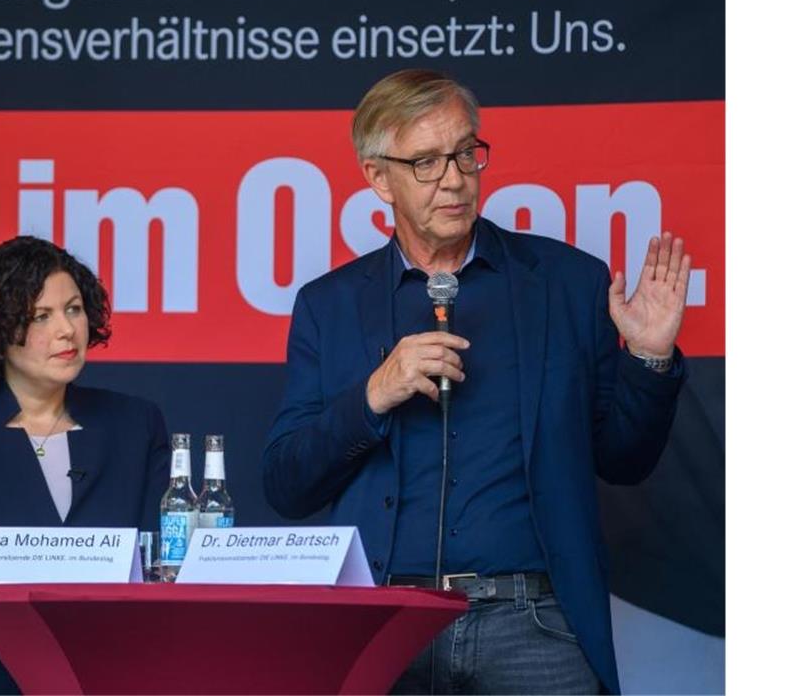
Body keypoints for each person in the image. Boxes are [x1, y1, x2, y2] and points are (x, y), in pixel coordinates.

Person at [262, 69, 690, 695]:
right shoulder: (329, 306)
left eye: (466, 152)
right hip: (389, 623)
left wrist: (649, 358)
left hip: (535, 625)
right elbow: (286, 484)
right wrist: (374, 394)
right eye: (427, 162)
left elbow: (624, 460)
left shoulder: (569, 283)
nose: (456, 179)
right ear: (378, 178)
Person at [0, 236, 170, 694]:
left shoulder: (136, 424)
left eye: (74, 309)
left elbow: (155, 568)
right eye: (40, 317)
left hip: (107, 673)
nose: (67, 330)